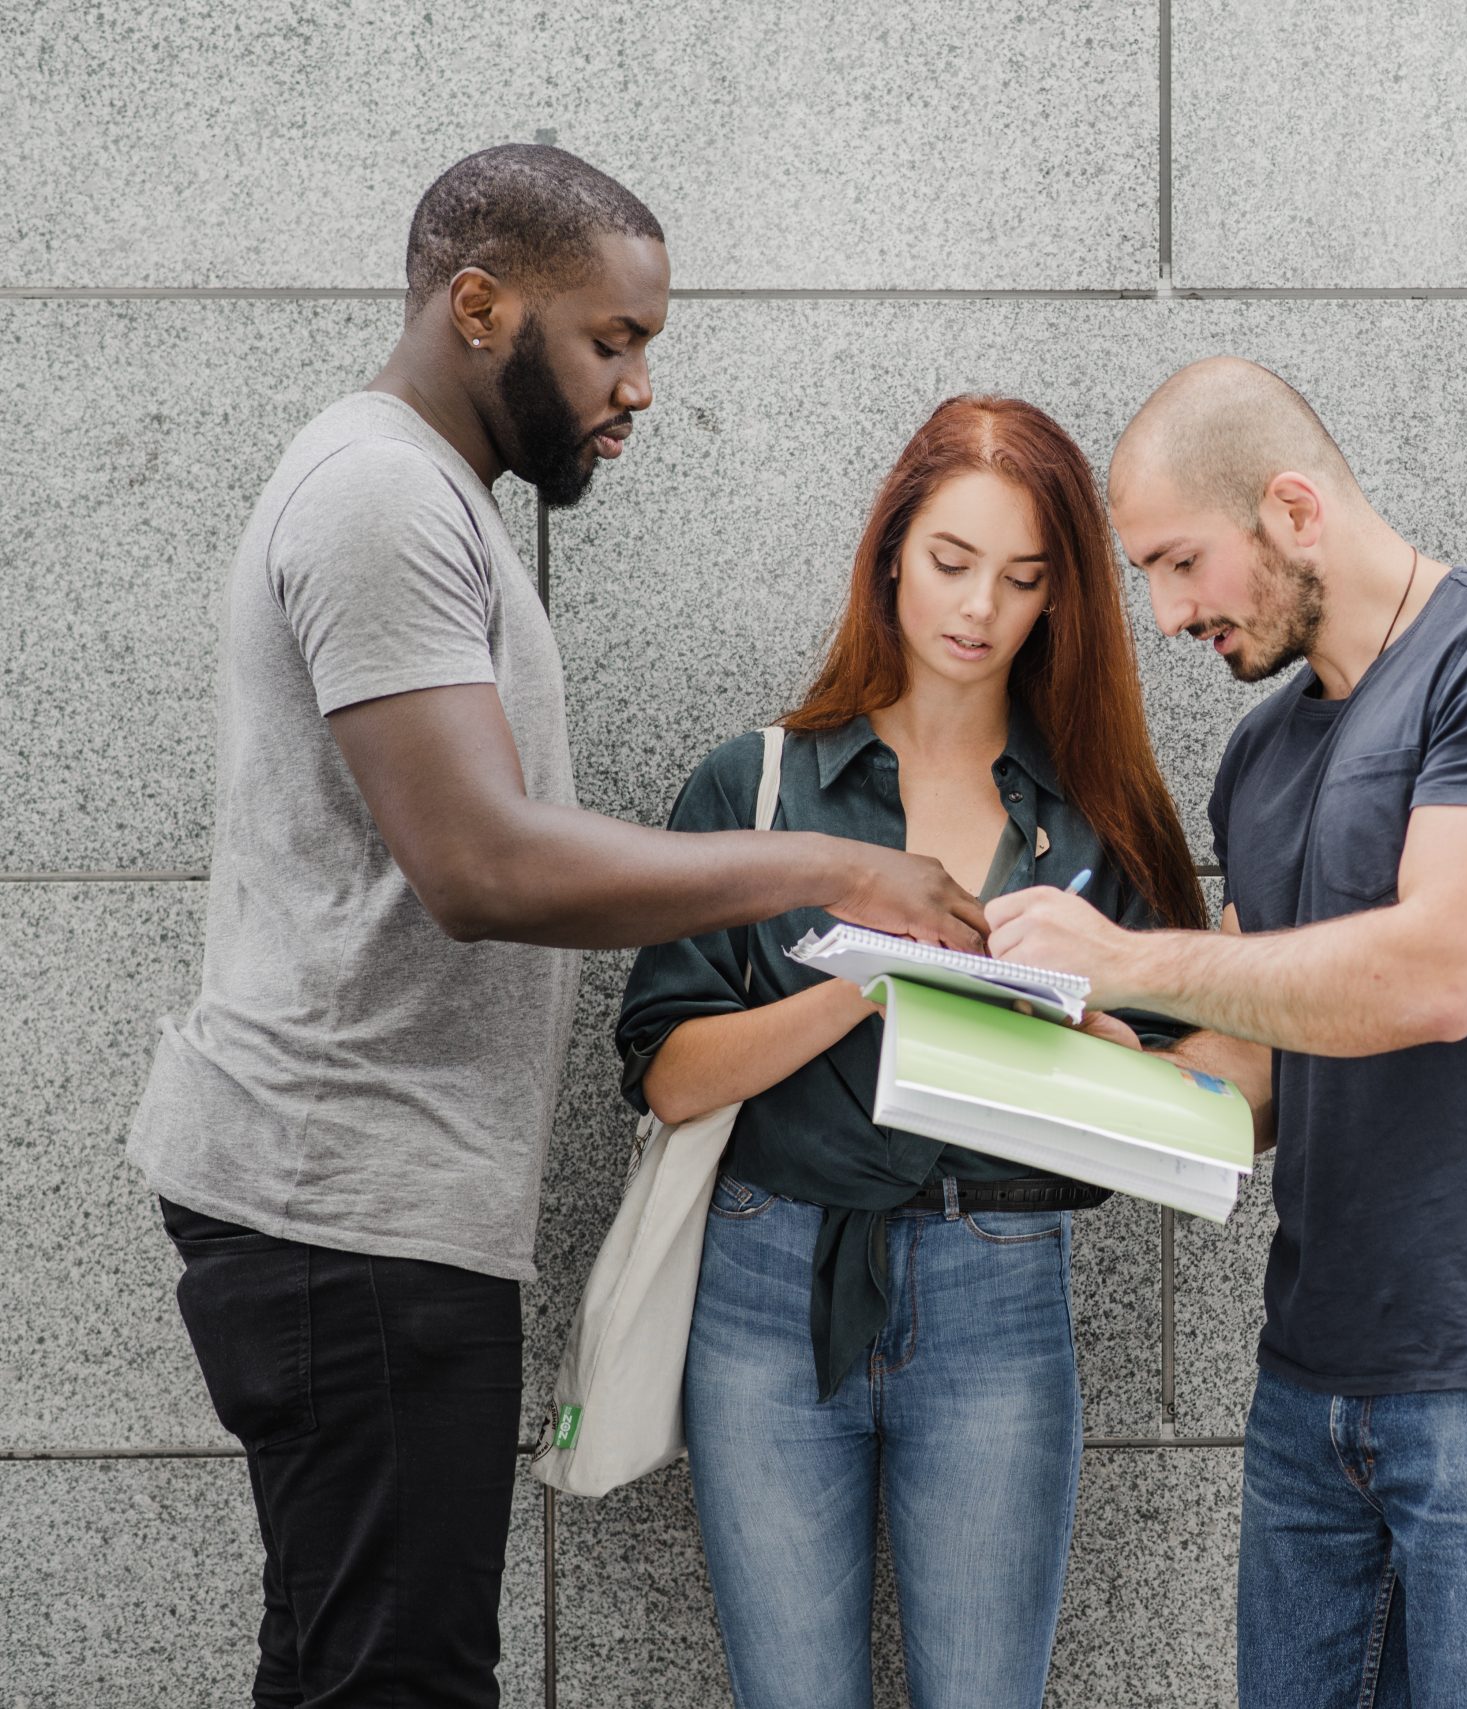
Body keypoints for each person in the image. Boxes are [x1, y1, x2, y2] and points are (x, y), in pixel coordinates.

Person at [123, 144, 986, 1709]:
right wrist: (831, 872)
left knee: (348, 1669)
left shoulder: (417, 491)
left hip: (369, 1212)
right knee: (401, 1681)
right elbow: (483, 867)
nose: (639, 385)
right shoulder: (382, 494)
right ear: (478, 305)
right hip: (346, 1211)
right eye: (613, 339)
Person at [985, 357, 1467, 1709]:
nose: (1169, 611)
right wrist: (1053, 1050)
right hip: (1314, 1380)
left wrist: (1130, 955)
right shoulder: (1261, 757)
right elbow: (1252, 1064)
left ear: (1293, 509)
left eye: (1182, 563)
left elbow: (1440, 972)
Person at [616, 395, 1204, 1709]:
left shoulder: (1101, 812)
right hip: (769, 1279)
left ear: (1062, 599)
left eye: (1023, 577)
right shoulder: (757, 787)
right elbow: (669, 1074)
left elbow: (1192, 1086)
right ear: (890, 553)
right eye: (950, 560)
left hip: (1000, 1284)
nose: (979, 606)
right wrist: (872, 985)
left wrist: (1084, 1024)